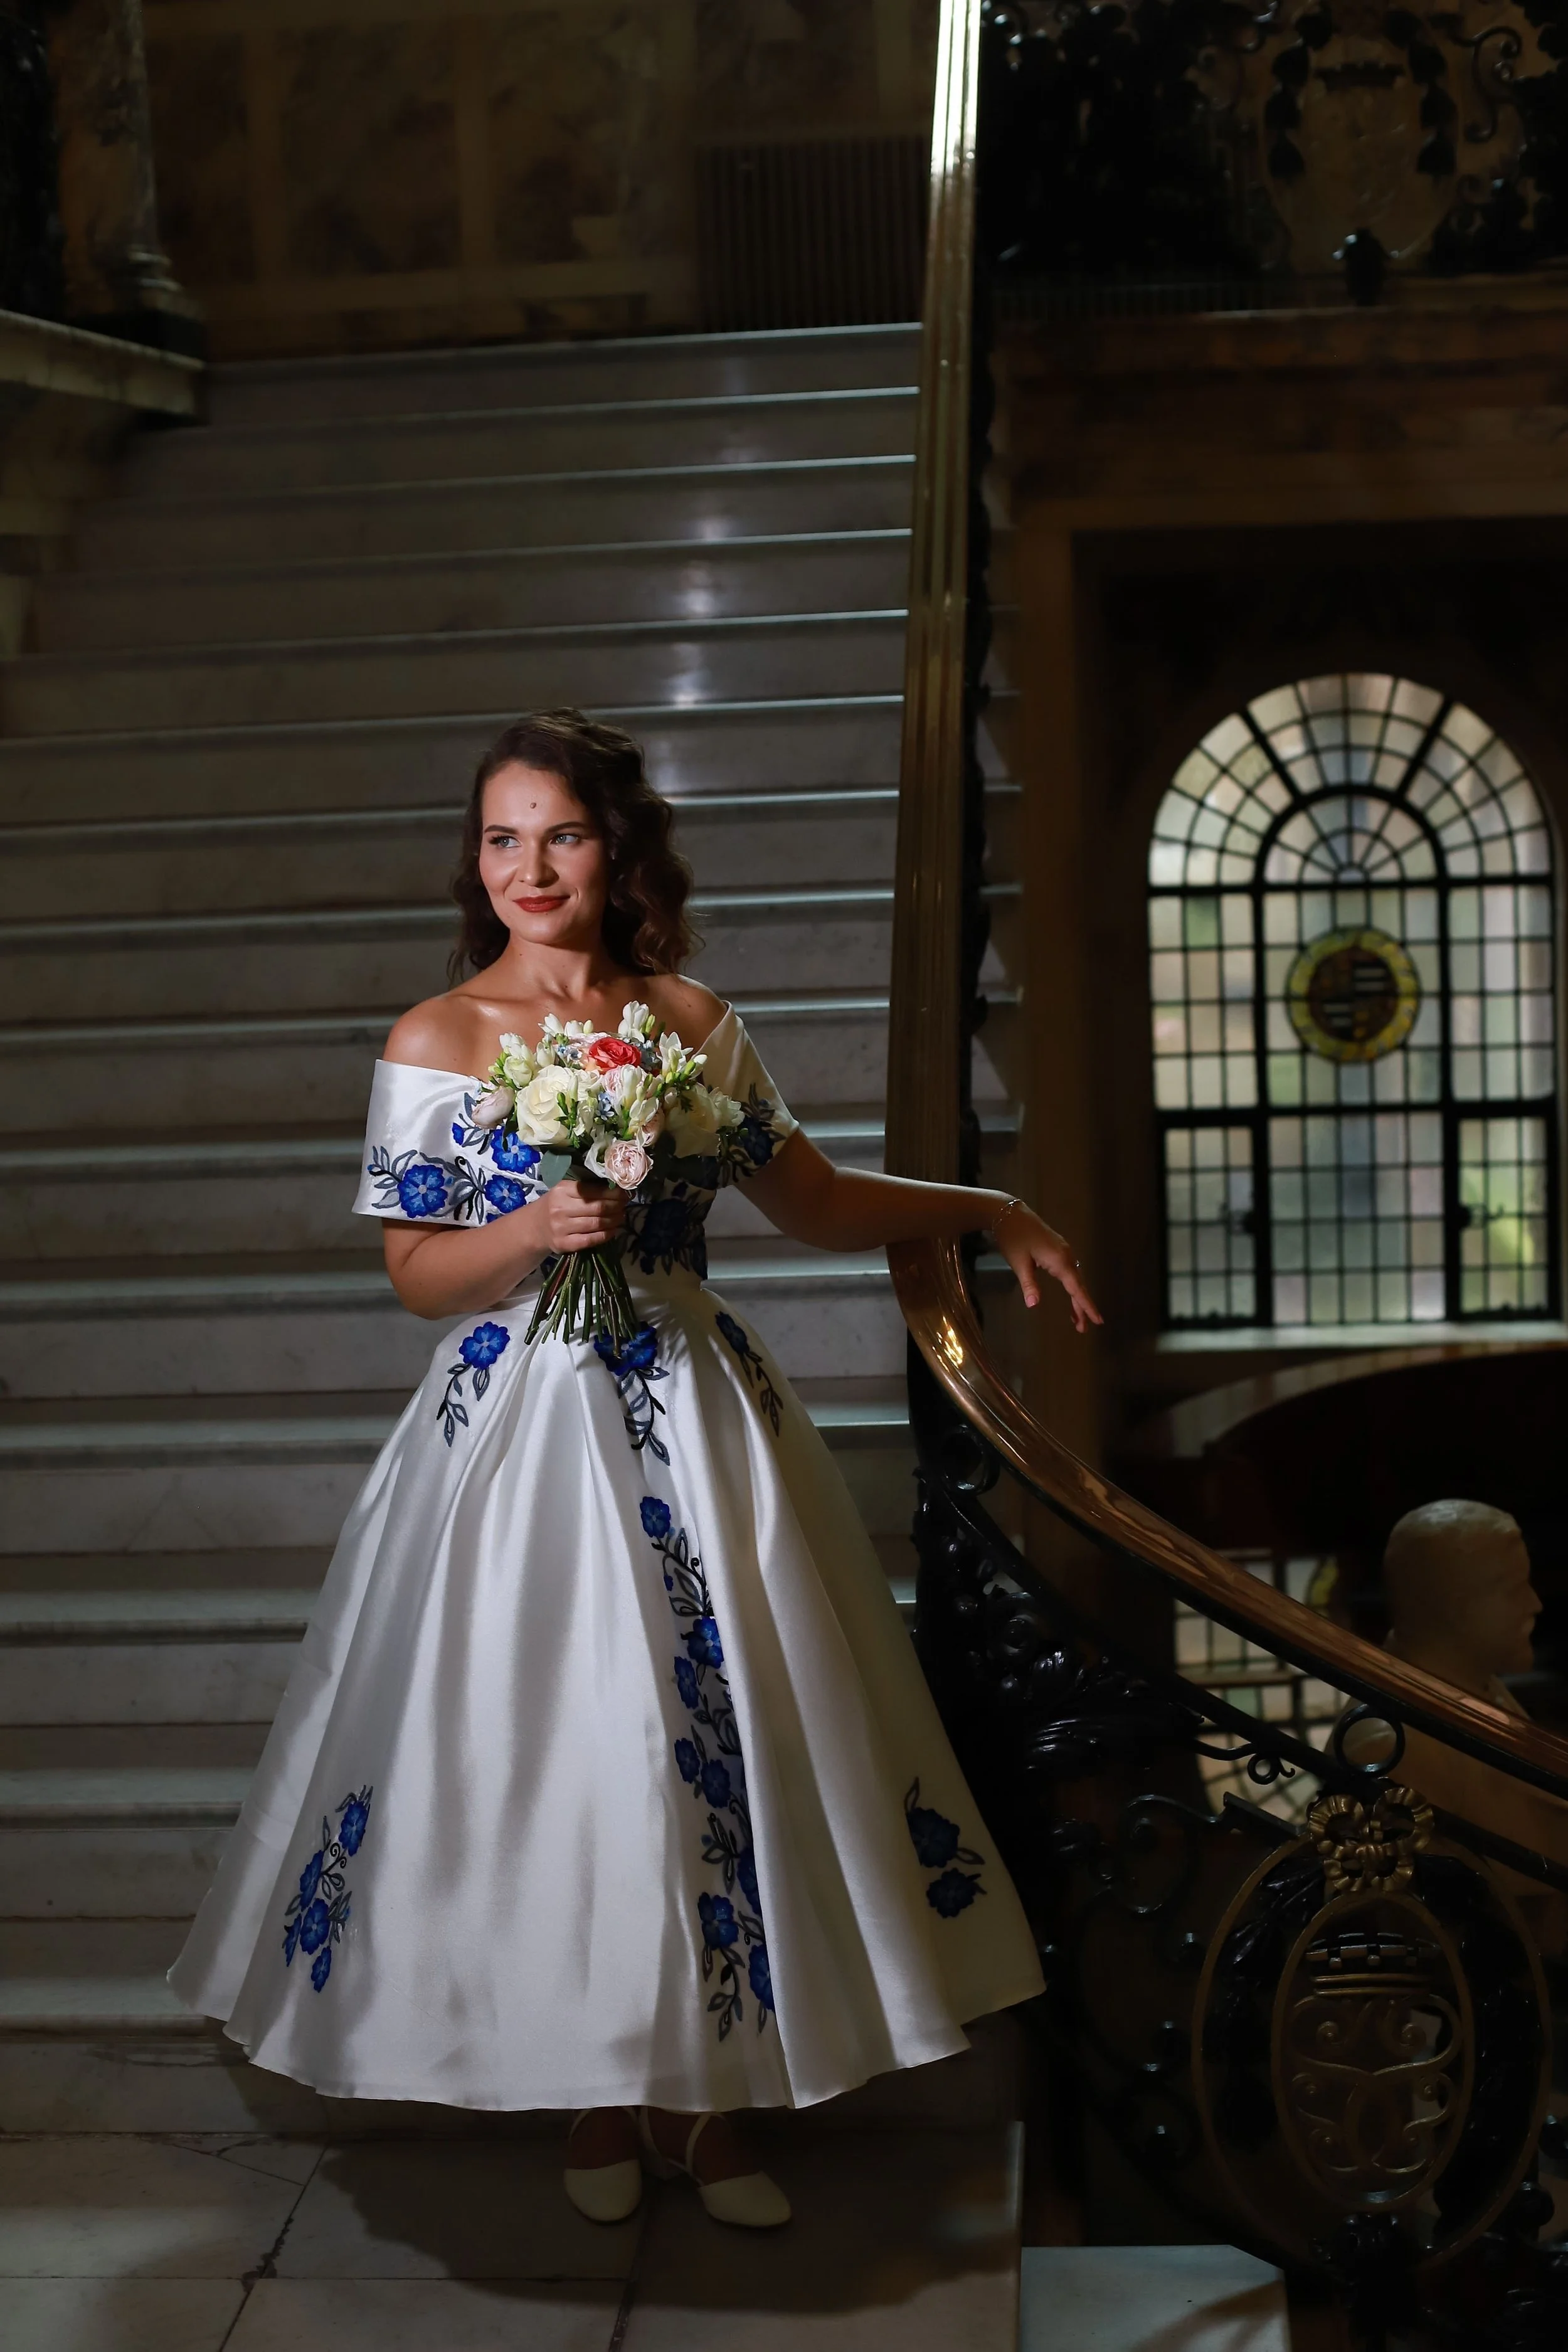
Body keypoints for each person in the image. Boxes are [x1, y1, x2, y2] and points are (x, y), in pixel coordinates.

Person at [168, 708, 1101, 2228]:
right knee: (575, 1744)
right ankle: (602, 2087)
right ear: (476, 860)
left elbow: (807, 1198)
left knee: (713, 1728)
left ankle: (710, 2103)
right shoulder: (438, 1035)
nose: (529, 865)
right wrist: (535, 1232)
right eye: (501, 836)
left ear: (618, 849)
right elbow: (415, 1271)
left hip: (693, 1399)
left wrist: (987, 1204)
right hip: (520, 1423)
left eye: (562, 833)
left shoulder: (690, 1017)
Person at [1342, 1498, 1568, 1957]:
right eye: (1513, 1588)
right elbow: (1426, 1936)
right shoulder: (1391, 1745)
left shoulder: (1476, 1686)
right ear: (1454, 1606)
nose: (1536, 1603)